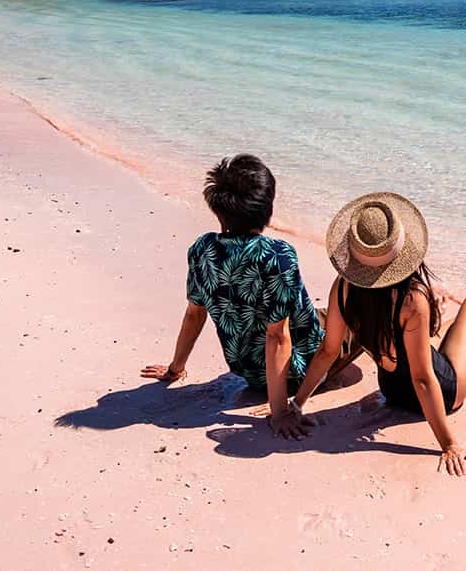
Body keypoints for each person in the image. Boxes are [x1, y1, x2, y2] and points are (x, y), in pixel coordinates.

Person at [280, 192, 466, 476]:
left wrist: (297, 404)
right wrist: (449, 444)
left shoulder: (343, 288)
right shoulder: (411, 298)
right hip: (444, 394)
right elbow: (423, 379)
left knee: (456, 327)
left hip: (391, 390)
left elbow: (328, 352)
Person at [140, 154, 328, 429]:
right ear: (267, 209)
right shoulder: (278, 255)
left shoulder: (203, 249)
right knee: (350, 318)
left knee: (316, 314)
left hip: (248, 371)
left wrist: (174, 370)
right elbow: (277, 336)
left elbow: (194, 314)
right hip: (297, 370)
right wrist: (280, 413)